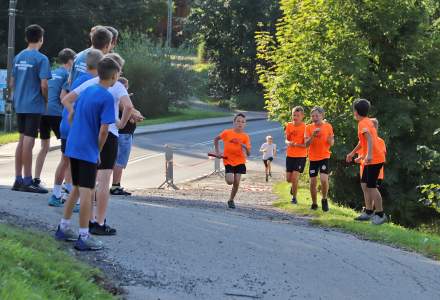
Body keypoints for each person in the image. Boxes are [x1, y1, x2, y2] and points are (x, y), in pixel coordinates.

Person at [63, 53, 136, 235]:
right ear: (115, 74)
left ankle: (66, 226)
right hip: (103, 139)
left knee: (80, 186)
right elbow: (126, 107)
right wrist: (120, 123)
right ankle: (95, 225)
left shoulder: (88, 86)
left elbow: (67, 100)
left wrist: (74, 116)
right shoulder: (113, 89)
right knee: (99, 184)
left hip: (81, 139)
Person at [55, 56, 120, 251]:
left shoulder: (87, 90)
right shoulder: (107, 97)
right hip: (87, 150)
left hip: (74, 145)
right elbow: (103, 131)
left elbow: (73, 114)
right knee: (87, 192)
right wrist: (98, 151)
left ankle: (64, 227)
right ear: (114, 76)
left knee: (75, 188)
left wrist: (78, 133)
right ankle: (84, 236)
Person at [48, 49, 104, 207]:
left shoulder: (76, 79)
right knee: (79, 163)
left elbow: (64, 97)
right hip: (76, 126)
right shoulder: (93, 83)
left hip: (65, 124)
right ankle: (76, 200)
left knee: (65, 160)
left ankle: (56, 193)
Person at [11, 24, 52, 193]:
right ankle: (28, 181)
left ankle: (18, 179)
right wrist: (46, 101)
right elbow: (44, 85)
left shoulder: (18, 57)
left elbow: (12, 82)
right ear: (41, 39)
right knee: (29, 142)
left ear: (27, 38)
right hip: (33, 104)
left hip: (19, 104)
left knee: (21, 142)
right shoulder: (41, 59)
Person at [33, 48, 76, 192]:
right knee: (68, 150)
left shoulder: (52, 72)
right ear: (71, 61)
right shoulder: (67, 74)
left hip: (42, 112)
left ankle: (36, 178)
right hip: (57, 113)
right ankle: (66, 183)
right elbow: (63, 98)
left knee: (44, 147)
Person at [347, 107, 387, 225]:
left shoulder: (363, 123)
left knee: (371, 186)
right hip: (371, 159)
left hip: (375, 159)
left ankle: (380, 214)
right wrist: (353, 153)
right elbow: (362, 141)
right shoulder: (367, 121)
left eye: (354, 110)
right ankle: (368, 211)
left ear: (356, 112)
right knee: (365, 184)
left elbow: (369, 138)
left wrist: (368, 155)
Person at [214, 113, 251, 209]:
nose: (240, 123)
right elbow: (216, 139)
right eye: (238, 121)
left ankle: (231, 200)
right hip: (228, 160)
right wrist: (217, 151)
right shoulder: (227, 132)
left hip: (240, 161)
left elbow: (249, 153)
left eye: (243, 122)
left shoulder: (245, 137)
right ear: (234, 122)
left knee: (237, 182)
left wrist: (243, 146)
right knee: (230, 181)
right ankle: (227, 175)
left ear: (245, 124)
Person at [110, 77, 140, 196]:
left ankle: (113, 185)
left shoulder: (115, 98)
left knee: (112, 160)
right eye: (126, 86)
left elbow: (134, 112)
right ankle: (116, 186)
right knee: (120, 161)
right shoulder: (123, 100)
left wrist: (135, 113)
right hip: (124, 134)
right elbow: (133, 117)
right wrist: (136, 115)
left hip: (117, 133)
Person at [305, 107, 334, 211]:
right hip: (313, 158)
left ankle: (324, 199)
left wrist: (330, 140)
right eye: (313, 116)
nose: (315, 118)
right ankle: (314, 203)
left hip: (324, 156)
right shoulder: (308, 127)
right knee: (313, 182)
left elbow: (332, 142)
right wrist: (313, 135)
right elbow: (306, 144)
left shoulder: (328, 126)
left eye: (317, 115)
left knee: (324, 180)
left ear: (322, 116)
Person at [285, 106, 307, 204]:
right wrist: (288, 143)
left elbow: (306, 144)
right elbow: (286, 139)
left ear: (302, 116)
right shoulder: (289, 125)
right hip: (290, 155)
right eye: (294, 115)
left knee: (295, 177)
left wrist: (298, 145)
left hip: (301, 155)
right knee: (289, 179)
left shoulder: (305, 127)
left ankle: (294, 198)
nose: (295, 117)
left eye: (298, 115)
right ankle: (293, 187)